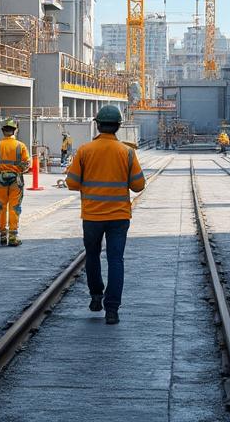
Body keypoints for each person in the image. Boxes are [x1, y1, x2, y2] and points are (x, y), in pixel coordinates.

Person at [66, 105, 145, 325]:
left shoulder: (84, 151)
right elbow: (138, 185)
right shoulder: (127, 152)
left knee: (92, 256)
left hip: (91, 216)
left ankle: (95, 296)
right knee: (115, 260)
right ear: (118, 126)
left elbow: (72, 182)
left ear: (98, 125)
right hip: (119, 217)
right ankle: (112, 311)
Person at [0, 118, 30, 247]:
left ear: (3, 131)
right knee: (14, 207)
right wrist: (17, 169)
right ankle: (13, 236)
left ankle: (2, 235)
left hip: (1, 179)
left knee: (2, 207)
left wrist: (2, 168)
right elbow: (27, 164)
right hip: (15, 180)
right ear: (15, 130)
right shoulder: (20, 146)